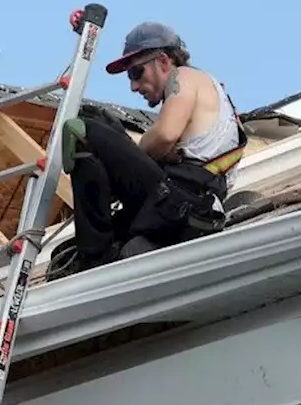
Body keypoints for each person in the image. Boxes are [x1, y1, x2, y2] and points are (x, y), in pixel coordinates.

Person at [47, 20, 249, 279]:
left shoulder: (184, 77)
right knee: (64, 252)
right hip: (186, 202)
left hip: (181, 200)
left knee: (84, 128)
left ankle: (95, 257)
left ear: (164, 61)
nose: (133, 86)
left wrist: (139, 147)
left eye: (136, 73)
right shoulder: (210, 95)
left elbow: (165, 135)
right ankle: (99, 248)